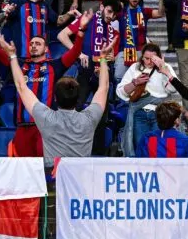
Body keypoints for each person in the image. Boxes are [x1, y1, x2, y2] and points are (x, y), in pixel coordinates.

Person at [8, 38, 112, 166]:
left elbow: (21, 87)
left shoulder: (46, 118)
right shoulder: (89, 118)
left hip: (53, 176)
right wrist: (103, 59)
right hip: (80, 176)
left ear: (55, 98)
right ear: (78, 99)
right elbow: (104, 88)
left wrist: (12, 55)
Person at [115, 43, 177, 156]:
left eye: (152, 59)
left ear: (159, 57)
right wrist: (135, 82)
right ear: (142, 57)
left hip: (159, 114)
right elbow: (120, 92)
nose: (149, 62)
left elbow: (173, 89)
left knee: (157, 149)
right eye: (146, 58)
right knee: (141, 148)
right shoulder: (135, 67)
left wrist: (164, 70)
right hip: (139, 113)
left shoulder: (166, 67)